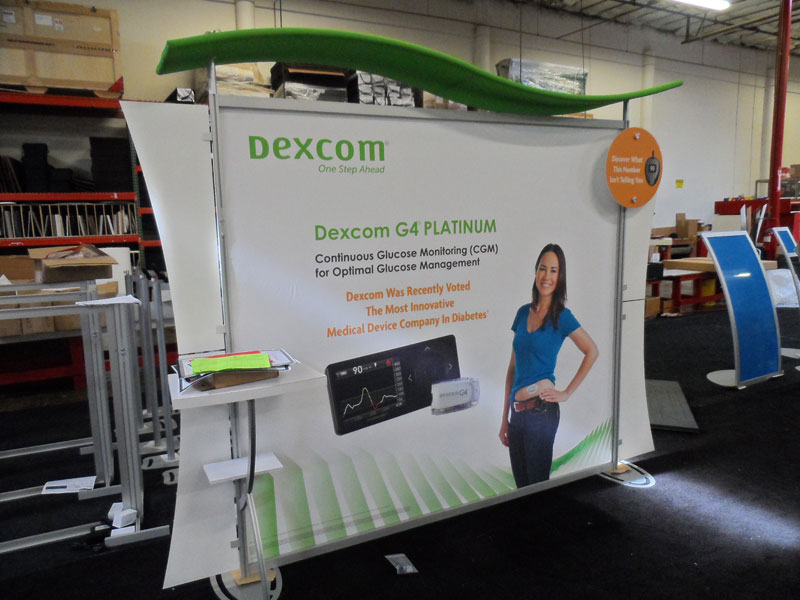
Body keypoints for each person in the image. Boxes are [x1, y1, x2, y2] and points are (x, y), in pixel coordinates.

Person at [499, 243, 598, 487]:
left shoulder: (562, 316)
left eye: (554, 270)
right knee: (521, 488)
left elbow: (591, 351)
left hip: (542, 414)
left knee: (538, 488)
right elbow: (512, 370)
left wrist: (566, 393)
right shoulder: (522, 313)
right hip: (517, 414)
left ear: (560, 277)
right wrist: (505, 419)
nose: (547, 276)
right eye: (543, 268)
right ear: (536, 272)